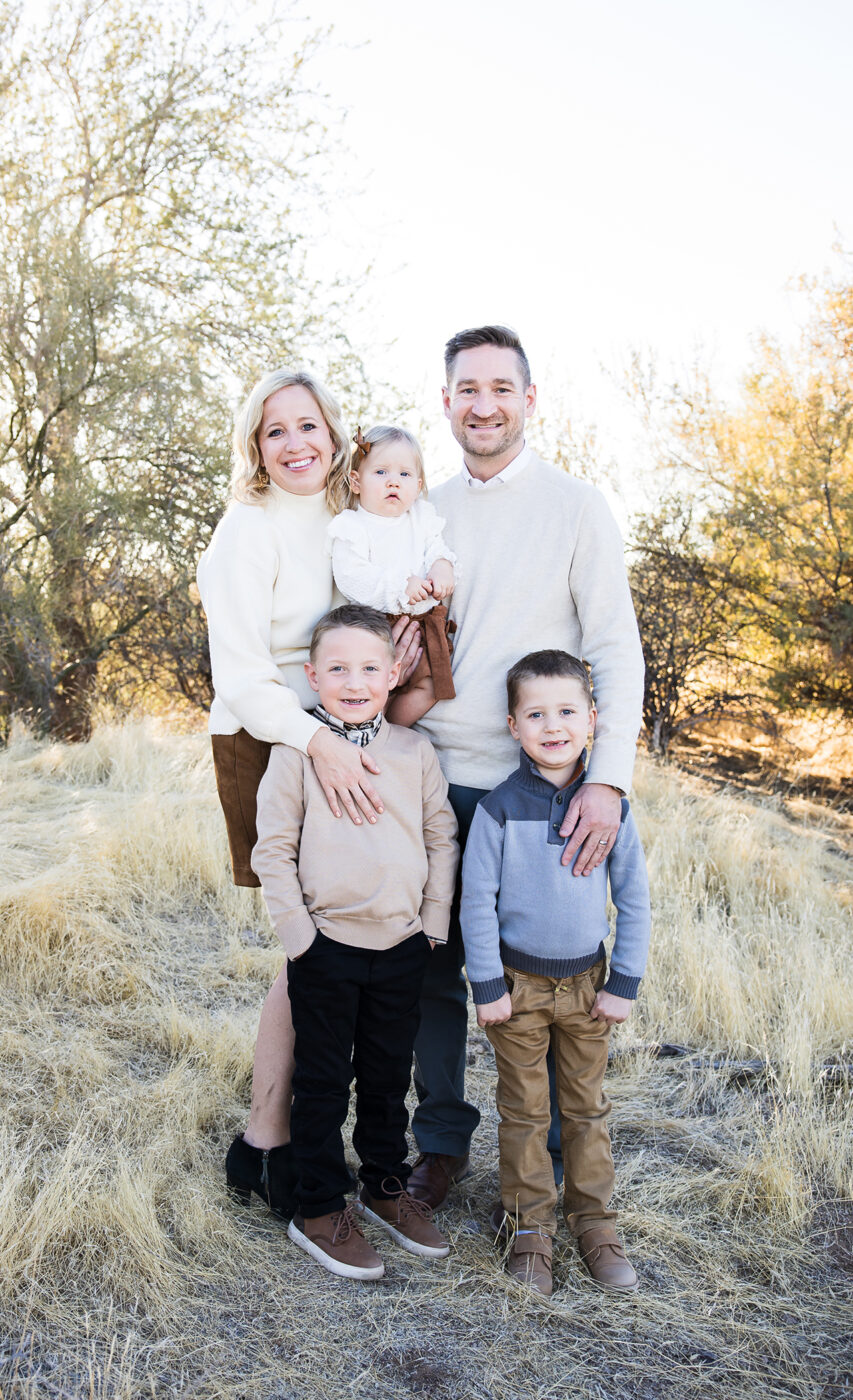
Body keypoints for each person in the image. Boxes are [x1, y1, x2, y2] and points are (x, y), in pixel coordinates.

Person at [407, 325, 645, 1211]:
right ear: (445, 402)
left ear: (530, 399)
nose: (483, 404)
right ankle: (438, 1144)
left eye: (501, 387)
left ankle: (548, 1161)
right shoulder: (421, 514)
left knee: (550, 972)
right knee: (435, 970)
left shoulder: (578, 507)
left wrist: (608, 779)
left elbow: (614, 648)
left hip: (541, 791)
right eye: (466, 388)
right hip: (434, 778)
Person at [197, 370, 421, 1218]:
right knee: (308, 949)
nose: (295, 444)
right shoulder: (245, 532)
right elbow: (244, 678)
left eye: (307, 426)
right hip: (271, 738)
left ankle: (275, 1136)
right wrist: (319, 741)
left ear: (333, 432)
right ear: (254, 446)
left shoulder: (346, 514)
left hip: (340, 728)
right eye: (273, 431)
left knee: (334, 945)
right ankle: (265, 1138)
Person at [252, 605, 458, 1279]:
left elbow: (439, 839)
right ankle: (317, 1207)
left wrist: (431, 923)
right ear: (311, 676)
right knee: (320, 1081)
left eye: (370, 667)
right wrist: (301, 939)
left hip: (402, 944)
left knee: (385, 1076)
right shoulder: (298, 751)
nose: (353, 680)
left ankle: (383, 1186)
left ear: (394, 674)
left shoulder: (413, 751)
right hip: (326, 946)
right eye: (336, 668)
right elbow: (273, 852)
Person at [460, 649, 651, 1296]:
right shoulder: (496, 810)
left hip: (589, 988)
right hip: (516, 990)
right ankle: (529, 1229)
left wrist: (623, 981)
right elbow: (475, 903)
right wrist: (485, 985)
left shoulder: (610, 809)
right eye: (535, 713)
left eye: (567, 710)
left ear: (592, 719)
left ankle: (595, 1223)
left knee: (585, 1110)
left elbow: (633, 898)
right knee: (523, 1112)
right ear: (512, 727)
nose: (552, 725)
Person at [328, 424, 457, 725]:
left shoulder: (422, 519)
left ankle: (395, 730)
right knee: (371, 692)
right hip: (375, 626)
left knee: (431, 685)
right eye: (381, 472)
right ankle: (374, 730)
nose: (393, 483)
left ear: (418, 484)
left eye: (404, 475)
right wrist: (401, 586)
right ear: (356, 482)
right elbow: (351, 576)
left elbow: (437, 549)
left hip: (425, 625)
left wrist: (442, 566)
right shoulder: (353, 527)